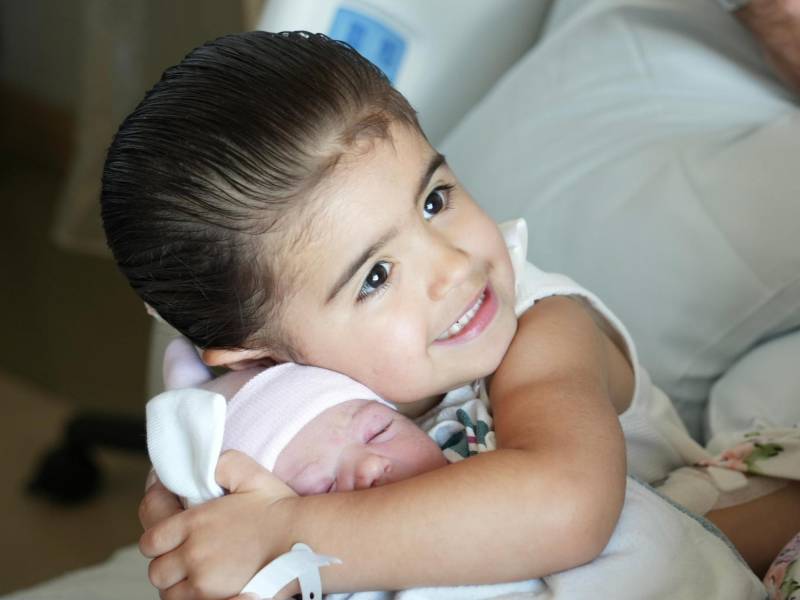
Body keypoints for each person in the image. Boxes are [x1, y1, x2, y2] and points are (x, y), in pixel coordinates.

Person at [101, 30, 800, 599]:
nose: (454, 267)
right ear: (254, 353)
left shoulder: (543, 327)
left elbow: (567, 508)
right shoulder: (260, 417)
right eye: (375, 276)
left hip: (701, 542)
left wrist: (287, 534)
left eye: (434, 200)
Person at [147, 336, 766, 599]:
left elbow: (579, 518)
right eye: (323, 487)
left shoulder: (490, 437)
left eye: (379, 430)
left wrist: (286, 527)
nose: (365, 467)